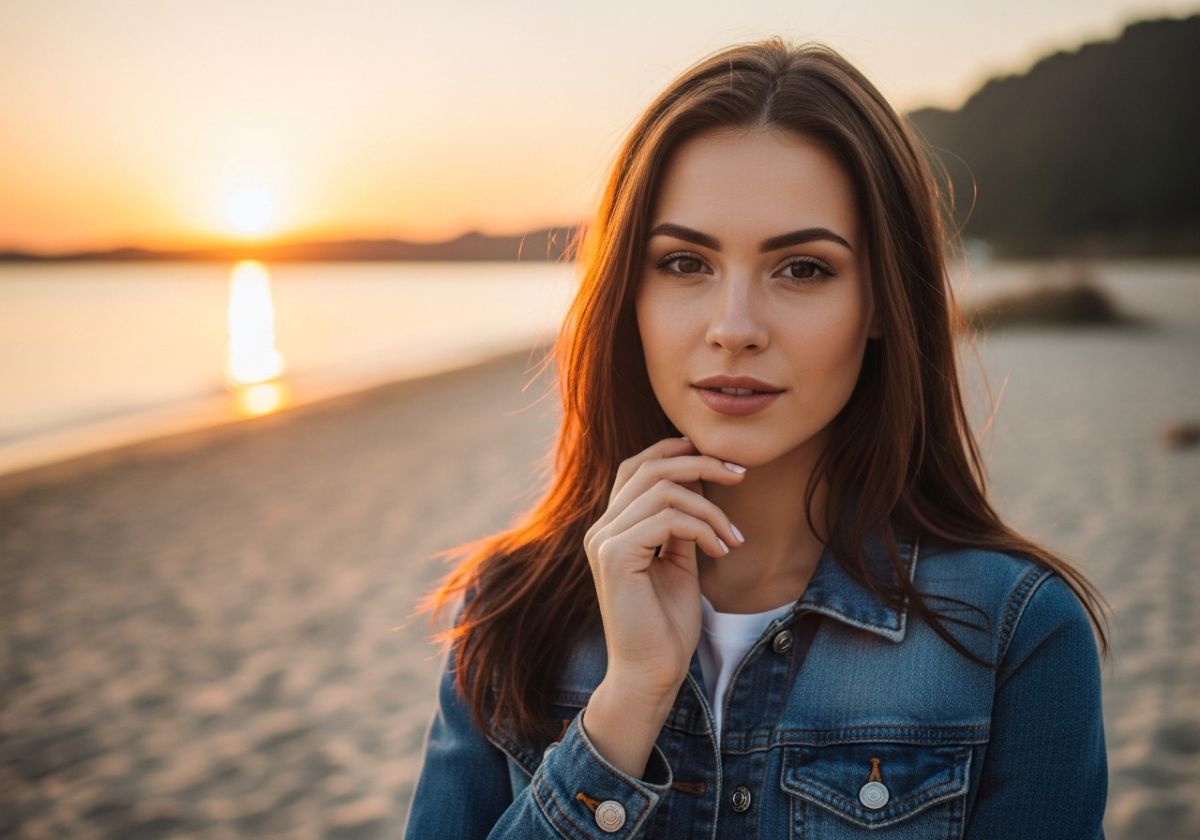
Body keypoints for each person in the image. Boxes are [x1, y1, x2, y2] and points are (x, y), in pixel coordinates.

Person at [402, 37, 1110, 839]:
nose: (733, 329)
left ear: (882, 303)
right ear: (628, 294)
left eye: (802, 268)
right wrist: (626, 706)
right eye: (683, 263)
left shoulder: (1015, 633)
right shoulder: (509, 612)